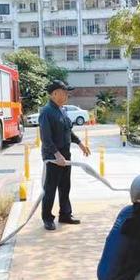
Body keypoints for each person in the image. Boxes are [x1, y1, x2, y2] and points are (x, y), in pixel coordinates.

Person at [39, 80, 91, 231]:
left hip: (65, 156)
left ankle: (65, 214)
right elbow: (46, 138)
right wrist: (57, 155)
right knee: (50, 189)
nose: (67, 95)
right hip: (53, 158)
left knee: (65, 187)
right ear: (55, 93)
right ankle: (47, 218)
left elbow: (68, 131)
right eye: (64, 92)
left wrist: (80, 143)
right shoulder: (46, 112)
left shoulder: (62, 110)